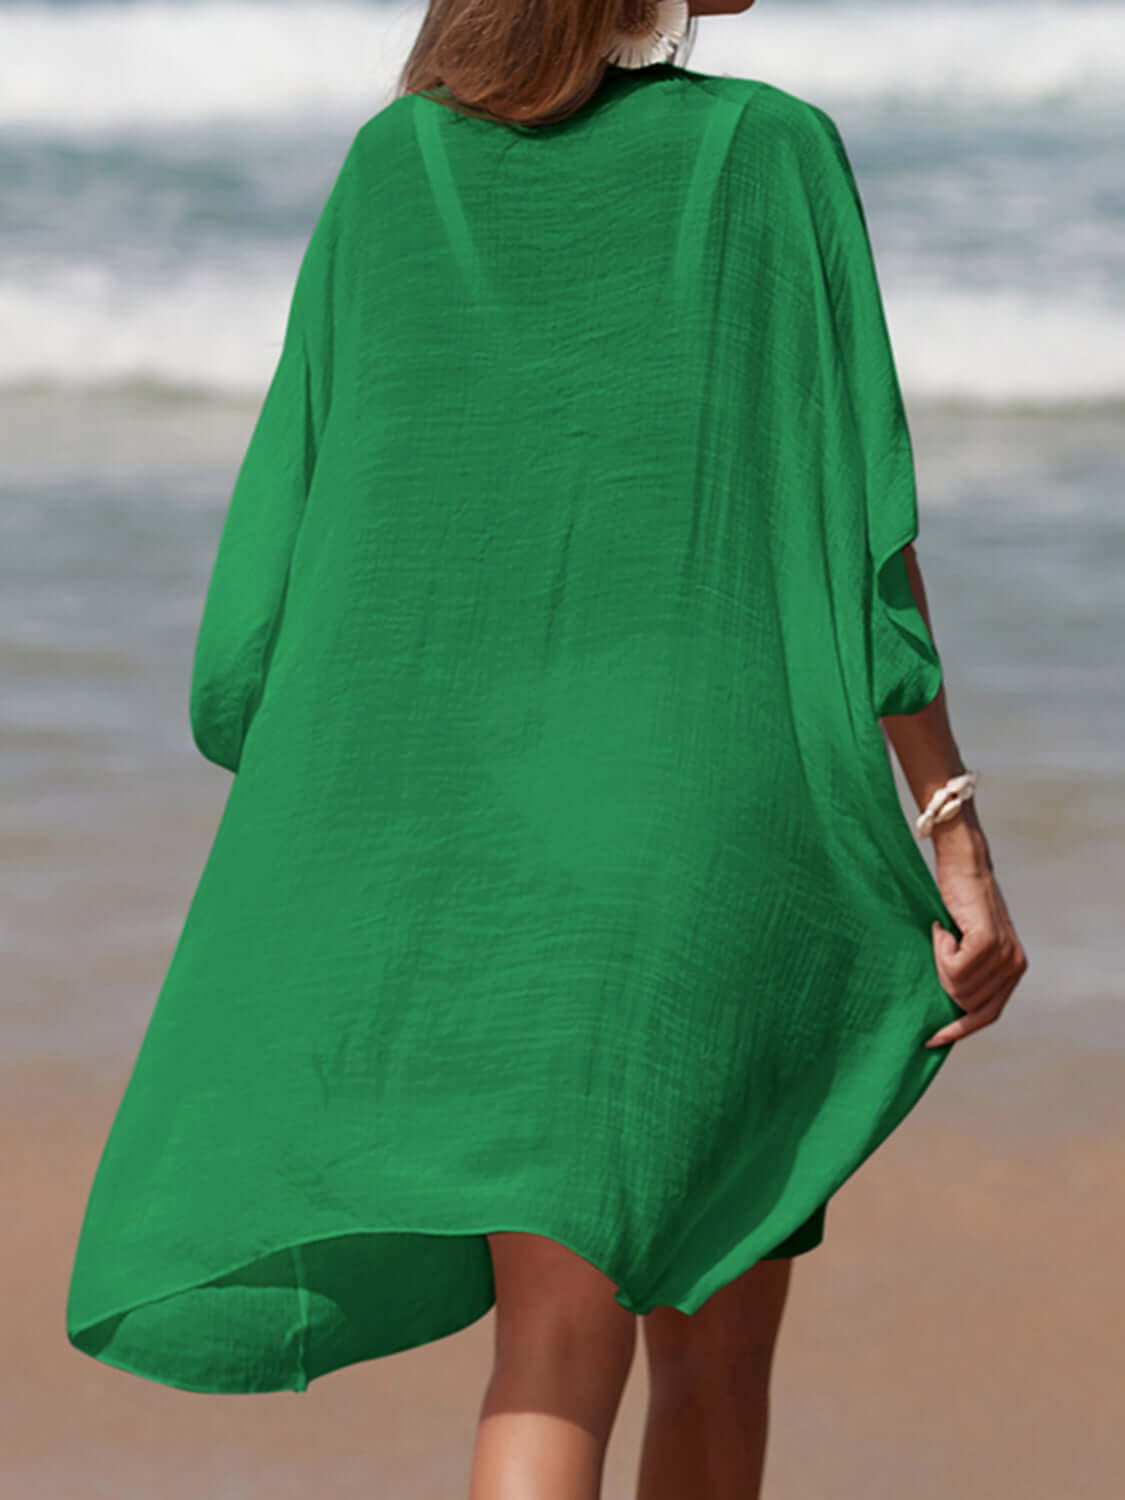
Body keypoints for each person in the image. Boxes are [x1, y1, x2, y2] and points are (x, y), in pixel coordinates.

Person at [65, 1, 1029, 1496]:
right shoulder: (767, 153)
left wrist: (325, 772)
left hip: (486, 849)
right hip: (725, 828)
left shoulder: (400, 169)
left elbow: (275, 565)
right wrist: (949, 826)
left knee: (553, 1340)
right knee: (711, 1347)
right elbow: (862, 545)